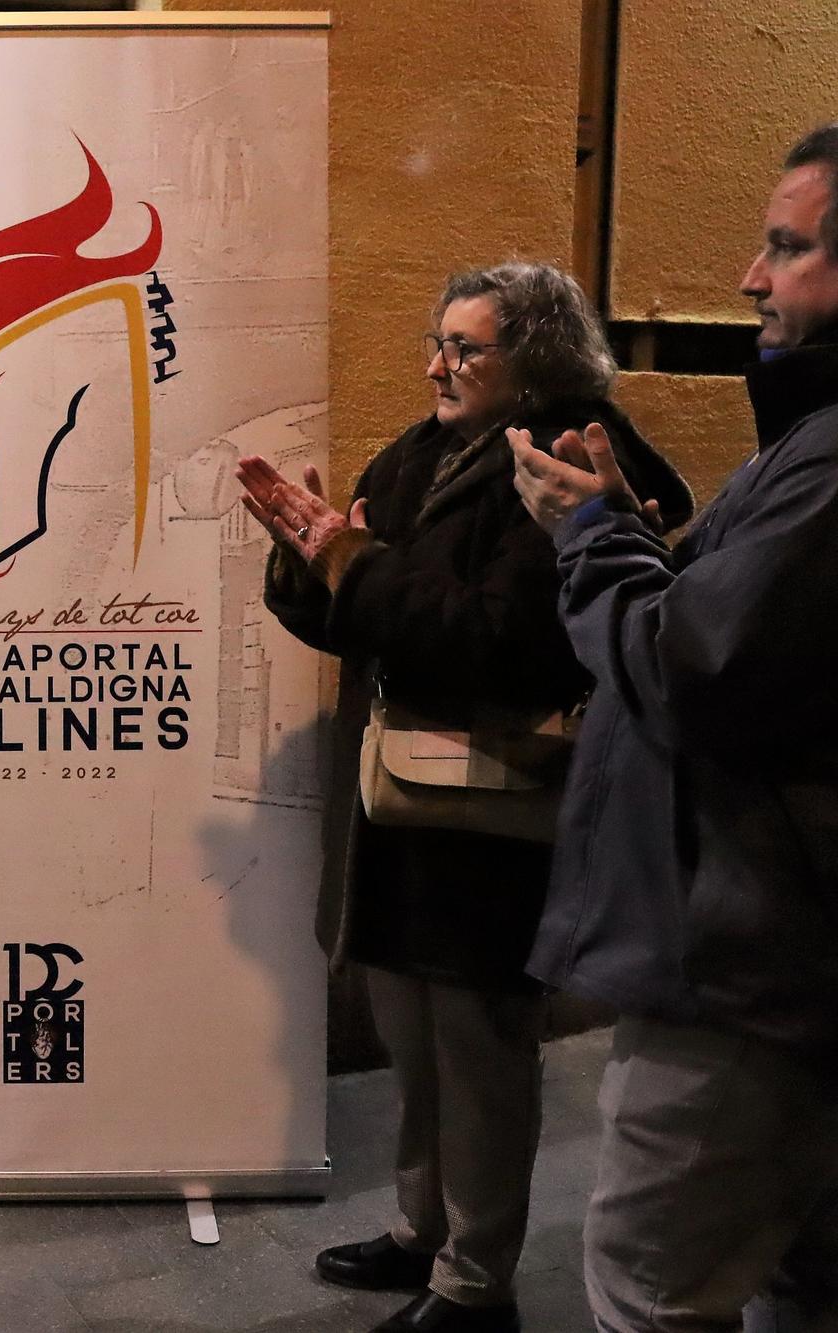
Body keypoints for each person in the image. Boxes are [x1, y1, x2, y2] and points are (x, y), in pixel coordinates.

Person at [240, 261, 692, 1333]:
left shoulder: (568, 460)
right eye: (436, 340)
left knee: (479, 1053)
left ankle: (474, 1282)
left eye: (464, 347)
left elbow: (500, 638)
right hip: (402, 793)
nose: (434, 364)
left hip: (495, 809)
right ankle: (420, 1230)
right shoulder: (427, 449)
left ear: (532, 359)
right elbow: (372, 609)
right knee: (410, 1032)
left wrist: (350, 558)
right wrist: (308, 559)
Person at [508, 126, 838, 1332]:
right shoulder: (805, 444)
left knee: (650, 1287)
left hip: (749, 971)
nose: (750, 276)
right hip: (774, 952)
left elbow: (691, 668)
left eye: (786, 246)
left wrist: (593, 540)